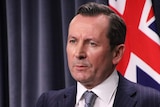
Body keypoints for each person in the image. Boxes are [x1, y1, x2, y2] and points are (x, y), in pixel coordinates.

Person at [36, 2, 160, 107]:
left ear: (117, 53)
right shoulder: (48, 102)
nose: (79, 53)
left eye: (92, 44)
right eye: (73, 41)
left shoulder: (151, 101)